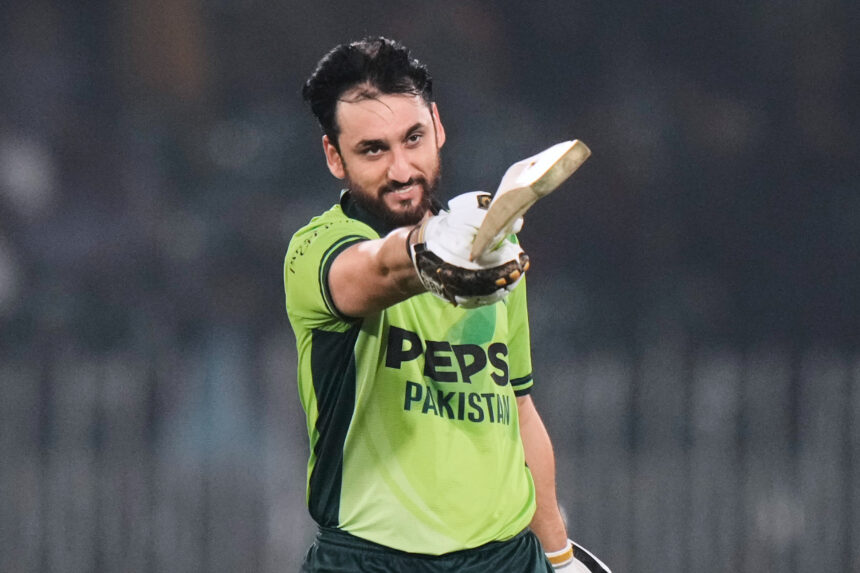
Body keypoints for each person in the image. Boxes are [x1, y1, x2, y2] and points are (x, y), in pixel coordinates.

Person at [284, 36, 610, 573]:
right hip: (371, 561)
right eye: (373, 150)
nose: (401, 169)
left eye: (412, 138)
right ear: (334, 157)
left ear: (437, 125)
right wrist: (430, 248)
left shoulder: (494, 249)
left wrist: (560, 557)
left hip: (507, 558)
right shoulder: (317, 250)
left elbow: (518, 407)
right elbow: (380, 268)